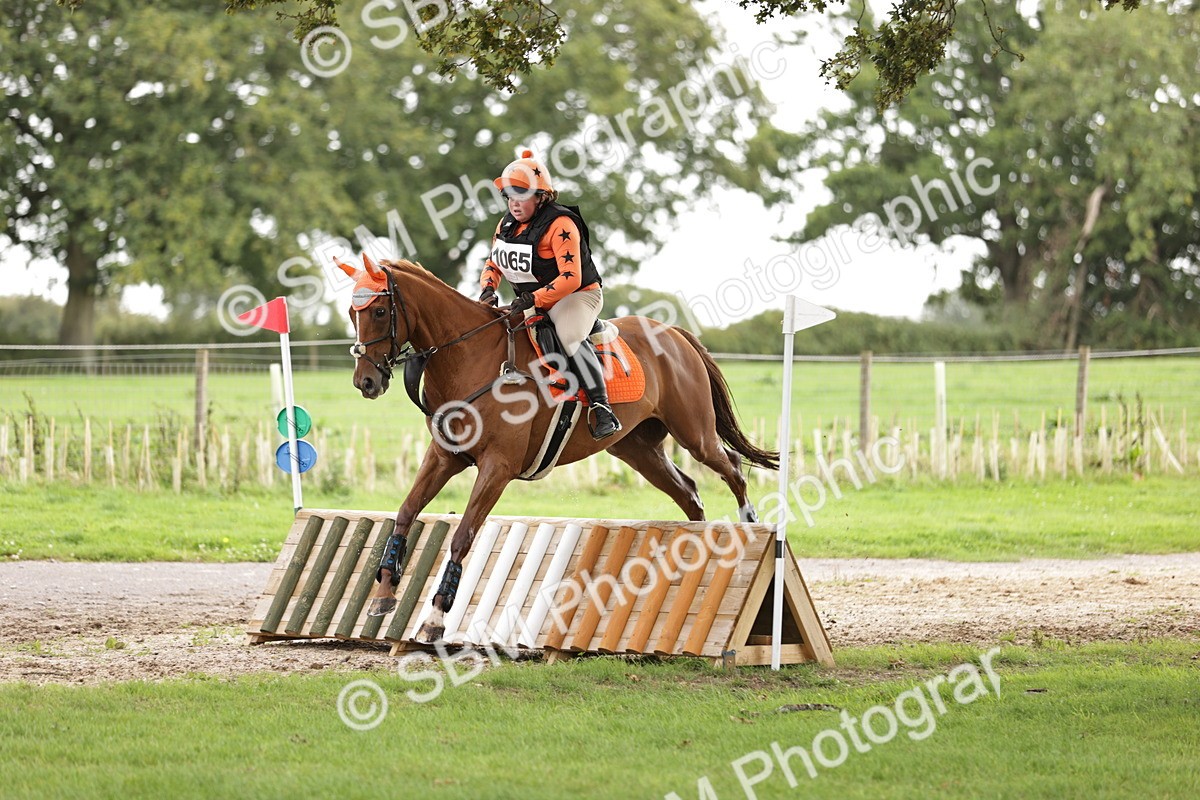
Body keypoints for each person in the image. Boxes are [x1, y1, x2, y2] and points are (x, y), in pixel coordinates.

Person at [478, 149, 622, 440]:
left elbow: (571, 278)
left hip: (578, 295)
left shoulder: (561, 224)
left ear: (541, 196)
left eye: (522, 195)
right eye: (509, 195)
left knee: (568, 335)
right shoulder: (506, 224)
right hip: (535, 300)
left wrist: (534, 300)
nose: (514, 203)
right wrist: (488, 288)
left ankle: (601, 406)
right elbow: (494, 262)